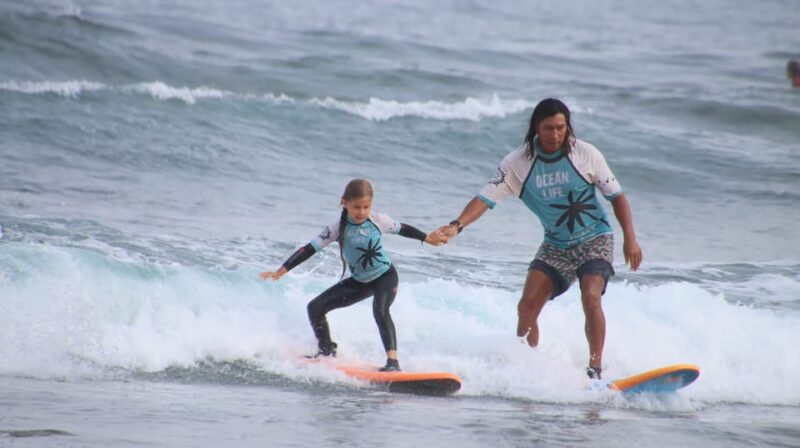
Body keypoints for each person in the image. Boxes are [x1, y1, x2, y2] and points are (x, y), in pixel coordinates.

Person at [437, 98, 642, 380]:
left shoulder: (586, 154)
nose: (556, 135)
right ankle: (526, 367)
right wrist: (457, 225)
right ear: (536, 127)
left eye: (561, 128)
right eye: (549, 128)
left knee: (590, 296)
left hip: (595, 238)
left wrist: (629, 238)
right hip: (556, 244)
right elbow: (485, 198)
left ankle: (595, 369)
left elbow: (617, 197)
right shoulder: (517, 164)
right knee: (527, 306)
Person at [261, 178, 446, 372]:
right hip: (360, 282)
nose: (362, 212)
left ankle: (393, 362)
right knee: (315, 307)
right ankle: (326, 352)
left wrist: (426, 238)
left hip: (385, 276)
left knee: (380, 311)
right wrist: (281, 271)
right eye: (357, 207)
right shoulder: (336, 228)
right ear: (345, 202)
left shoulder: (378, 220)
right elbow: (309, 248)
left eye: (366, 207)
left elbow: (404, 229)